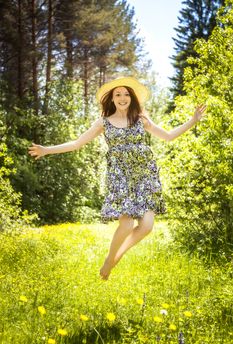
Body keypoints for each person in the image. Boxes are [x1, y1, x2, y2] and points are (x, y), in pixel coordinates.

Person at [29, 76, 206, 280]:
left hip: (145, 175)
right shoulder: (103, 122)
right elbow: (77, 144)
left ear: (131, 98)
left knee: (147, 226)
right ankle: (109, 260)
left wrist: (192, 121)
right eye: (117, 94)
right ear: (112, 99)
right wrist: (46, 150)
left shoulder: (141, 119)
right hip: (120, 177)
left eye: (126, 94)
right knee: (127, 224)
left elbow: (167, 136)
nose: (122, 98)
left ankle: (115, 258)